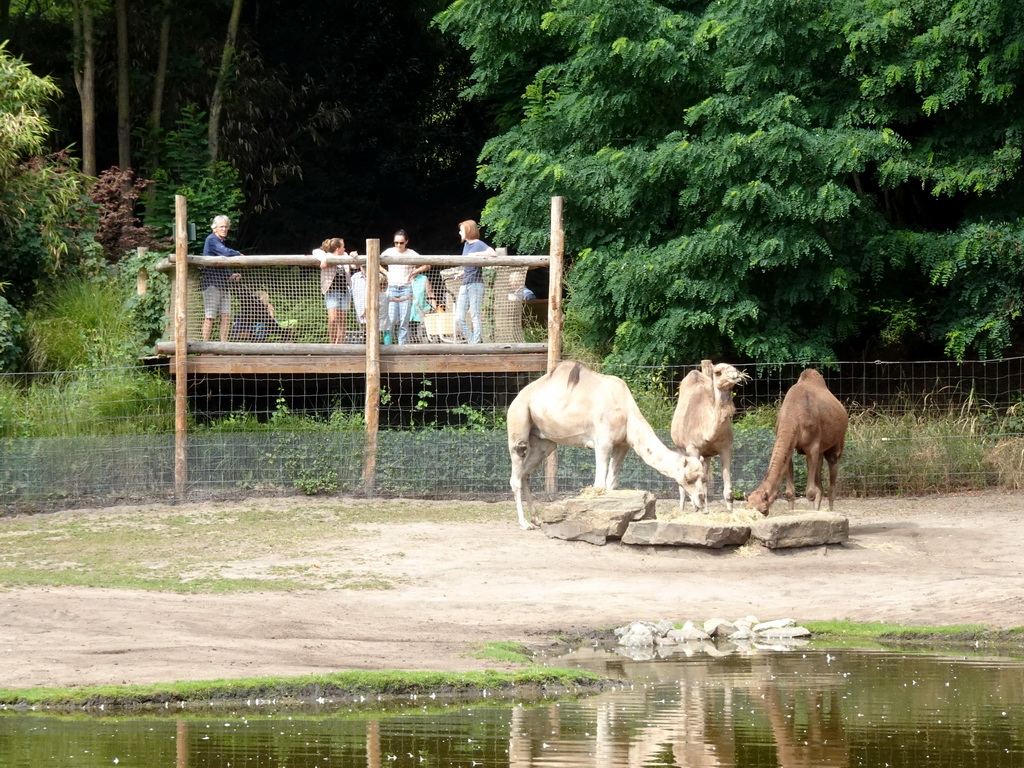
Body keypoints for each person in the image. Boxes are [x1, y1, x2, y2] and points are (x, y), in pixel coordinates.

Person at [380, 230, 428, 344]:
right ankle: (388, 345)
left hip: (406, 289)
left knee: (404, 320)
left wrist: (415, 271)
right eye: (396, 242)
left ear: (406, 242)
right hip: (391, 288)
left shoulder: (411, 253)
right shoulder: (389, 252)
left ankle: (402, 347)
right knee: (390, 319)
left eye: (401, 243)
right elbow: (375, 262)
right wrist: (385, 272)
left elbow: (427, 264)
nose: (398, 245)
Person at [200, 215, 243, 341]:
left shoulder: (220, 242)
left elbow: (222, 263)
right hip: (212, 285)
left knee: (226, 316)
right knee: (210, 316)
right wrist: (238, 254)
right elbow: (224, 253)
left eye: (226, 227)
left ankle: (223, 346)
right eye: (221, 227)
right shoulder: (212, 240)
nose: (224, 229)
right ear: (215, 228)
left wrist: (231, 275)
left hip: (224, 285)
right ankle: (205, 347)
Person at [454, 219, 495, 343]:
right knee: (458, 317)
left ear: (468, 230)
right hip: (465, 283)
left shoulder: (478, 244)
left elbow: (492, 253)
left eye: (461, 231)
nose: (460, 233)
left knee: (474, 315)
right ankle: (472, 341)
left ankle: (476, 343)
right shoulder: (466, 245)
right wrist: (462, 272)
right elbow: (470, 264)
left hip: (476, 284)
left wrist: (476, 255)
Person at [316, 237, 358, 343]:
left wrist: (354, 256)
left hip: (344, 291)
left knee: (342, 320)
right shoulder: (326, 255)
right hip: (332, 291)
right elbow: (315, 251)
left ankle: (340, 345)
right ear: (337, 248)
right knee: (333, 319)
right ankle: (331, 343)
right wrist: (325, 259)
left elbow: (355, 266)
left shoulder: (345, 256)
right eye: (343, 246)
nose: (344, 248)